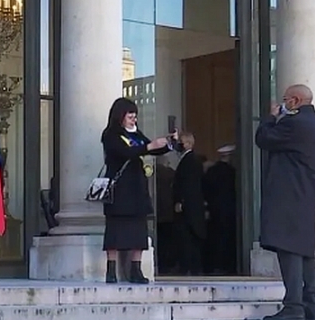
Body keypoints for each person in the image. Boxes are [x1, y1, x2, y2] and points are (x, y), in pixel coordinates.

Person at [256, 84, 315, 320]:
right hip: (308, 197)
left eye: (286, 100)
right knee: (307, 253)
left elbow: (263, 139)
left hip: (289, 197)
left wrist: (271, 118)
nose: (283, 104)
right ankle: (311, 306)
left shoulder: (295, 124)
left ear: (296, 101)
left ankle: (294, 306)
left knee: (290, 251)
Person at [101, 97, 171, 284]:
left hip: (137, 187)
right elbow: (126, 152)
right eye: (130, 116)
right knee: (115, 230)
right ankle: (111, 270)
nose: (134, 120)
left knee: (139, 230)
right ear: (120, 116)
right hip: (119, 187)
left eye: (135, 116)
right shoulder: (111, 135)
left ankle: (136, 270)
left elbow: (150, 149)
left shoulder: (136, 134)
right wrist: (148, 146)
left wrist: (168, 144)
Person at [172, 131, 206, 276]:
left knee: (188, 237)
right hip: (191, 205)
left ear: (188, 144)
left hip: (189, 206)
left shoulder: (190, 160)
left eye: (182, 141)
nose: (180, 144)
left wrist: (181, 201)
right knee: (189, 236)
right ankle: (190, 266)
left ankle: (189, 267)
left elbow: (188, 184)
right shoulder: (190, 160)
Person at [203, 144, 238, 275]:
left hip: (214, 209)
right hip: (229, 210)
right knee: (228, 238)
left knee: (215, 237)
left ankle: (214, 265)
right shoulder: (233, 172)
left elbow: (205, 189)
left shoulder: (212, 171)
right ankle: (227, 266)